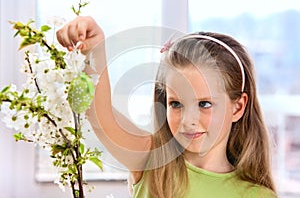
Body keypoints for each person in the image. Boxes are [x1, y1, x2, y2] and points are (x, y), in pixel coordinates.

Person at [56, 16, 277, 198]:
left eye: (204, 104)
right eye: (176, 104)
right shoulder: (150, 160)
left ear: (237, 108)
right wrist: (94, 49)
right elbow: (99, 115)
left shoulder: (258, 195)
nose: (188, 120)